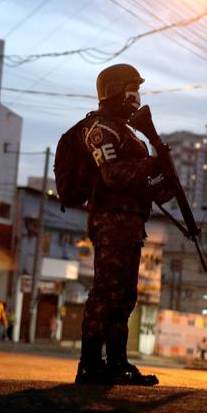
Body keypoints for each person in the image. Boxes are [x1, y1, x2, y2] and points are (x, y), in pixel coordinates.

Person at [75, 63, 172, 386]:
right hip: (110, 222)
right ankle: (90, 364)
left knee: (125, 296)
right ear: (116, 90)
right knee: (106, 292)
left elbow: (142, 181)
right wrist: (151, 163)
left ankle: (116, 363)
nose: (136, 97)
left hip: (132, 223)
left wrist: (163, 179)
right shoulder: (100, 129)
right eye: (133, 90)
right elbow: (113, 174)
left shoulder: (129, 133)